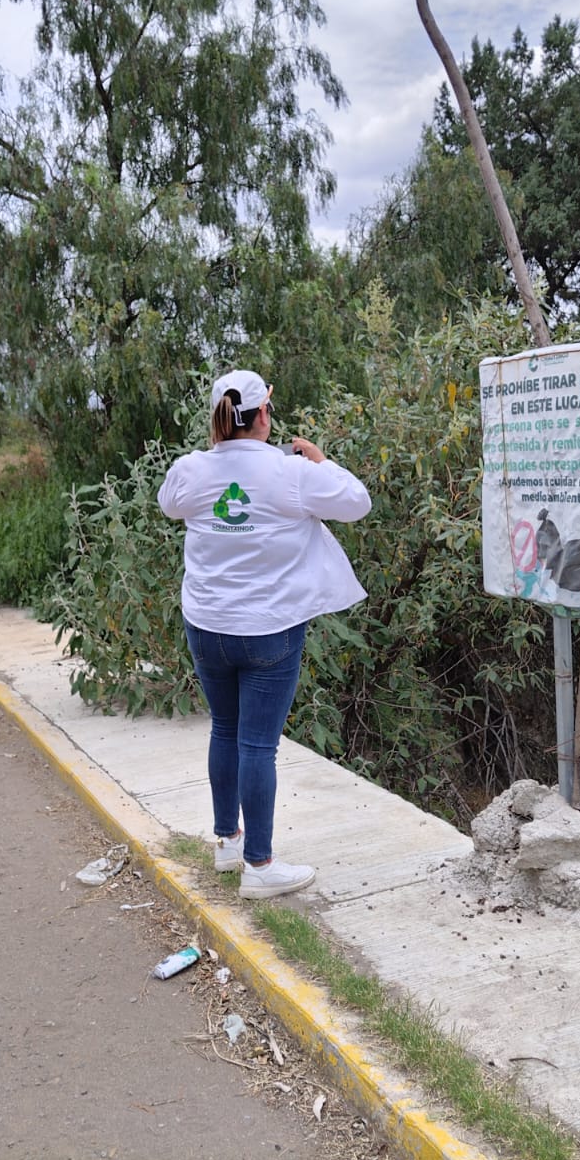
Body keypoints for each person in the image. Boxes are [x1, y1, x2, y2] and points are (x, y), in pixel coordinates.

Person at [158, 369, 371, 898]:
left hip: (207, 628)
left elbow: (169, 504)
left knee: (224, 730)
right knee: (258, 744)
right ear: (263, 416)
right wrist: (321, 460)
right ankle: (259, 865)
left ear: (221, 418)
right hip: (268, 631)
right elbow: (357, 502)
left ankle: (228, 843)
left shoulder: (191, 470)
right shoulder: (292, 472)